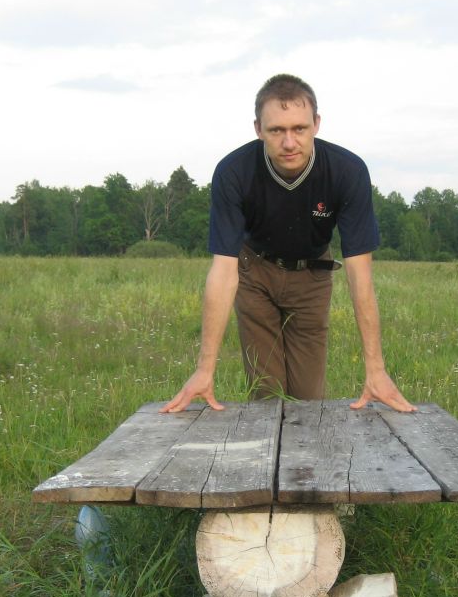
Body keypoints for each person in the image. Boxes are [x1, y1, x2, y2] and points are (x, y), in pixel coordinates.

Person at [162, 74, 414, 414]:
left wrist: (376, 370)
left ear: (317, 124)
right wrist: (204, 371)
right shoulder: (234, 172)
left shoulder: (347, 171)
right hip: (255, 274)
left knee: (308, 401)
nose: (289, 142)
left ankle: (305, 467)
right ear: (258, 129)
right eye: (276, 130)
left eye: (299, 128)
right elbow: (223, 270)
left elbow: (360, 273)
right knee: (267, 396)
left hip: (312, 276)